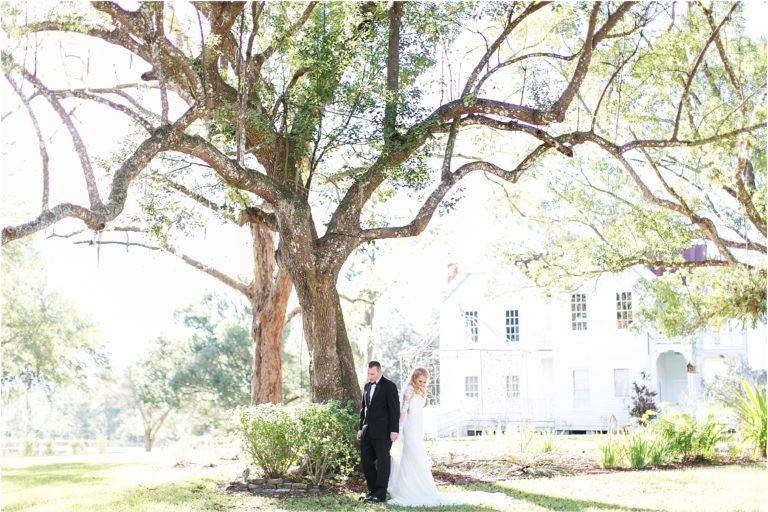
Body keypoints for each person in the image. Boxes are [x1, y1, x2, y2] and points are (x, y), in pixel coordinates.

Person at [386, 367, 508, 507]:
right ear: (414, 378)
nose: (422, 384)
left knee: (418, 458)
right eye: (420, 381)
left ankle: (422, 488)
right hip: (409, 427)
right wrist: (399, 428)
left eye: (425, 382)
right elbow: (403, 411)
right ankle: (408, 489)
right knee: (412, 456)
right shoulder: (409, 390)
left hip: (418, 427)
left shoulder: (421, 391)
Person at [357, 360, 399, 503]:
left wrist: (394, 430)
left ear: (380, 372)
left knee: (383, 462)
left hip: (384, 432)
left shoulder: (390, 386)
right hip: (367, 431)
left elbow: (394, 410)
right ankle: (372, 491)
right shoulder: (367, 387)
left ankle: (380, 494)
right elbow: (363, 409)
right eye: (368, 373)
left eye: (373, 373)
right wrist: (360, 428)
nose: (370, 376)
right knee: (366, 460)